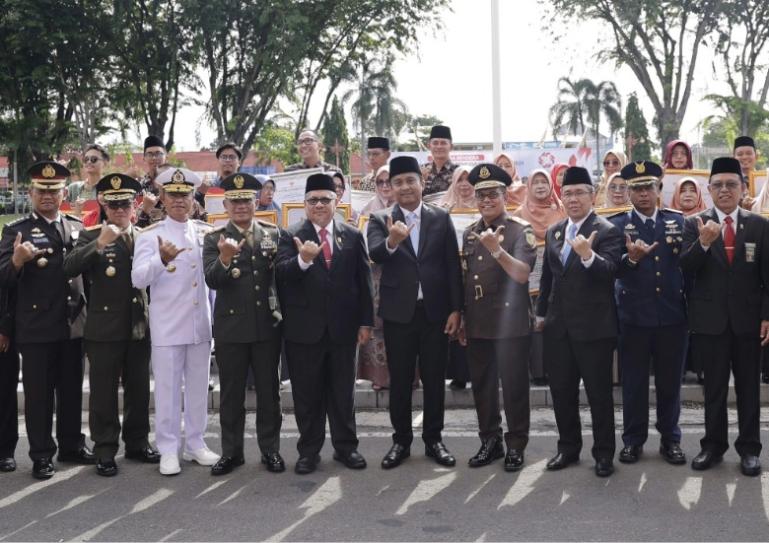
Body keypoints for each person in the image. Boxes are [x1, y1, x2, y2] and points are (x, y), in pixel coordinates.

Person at [0, 161, 94, 479]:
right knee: (39, 396)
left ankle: (71, 445)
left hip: (73, 323)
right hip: (37, 326)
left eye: (54, 191)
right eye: (41, 191)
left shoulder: (76, 226)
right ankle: (41, 454)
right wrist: (16, 261)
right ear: (31, 193)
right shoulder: (16, 230)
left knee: (71, 391)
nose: (48, 196)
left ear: (64, 193)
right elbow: (3, 278)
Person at [368, 156, 463, 469]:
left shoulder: (440, 218)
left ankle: (434, 439)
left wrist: (456, 309)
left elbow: (452, 265)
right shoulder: (380, 219)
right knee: (401, 381)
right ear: (391, 187)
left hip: (435, 313)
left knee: (435, 380)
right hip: (399, 315)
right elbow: (375, 253)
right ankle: (401, 441)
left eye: (411, 180)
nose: (405, 187)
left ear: (422, 183)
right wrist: (392, 241)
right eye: (398, 182)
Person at [275, 173, 374, 475]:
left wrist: (366, 322)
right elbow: (281, 275)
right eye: (313, 200)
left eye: (325, 199)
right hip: (304, 331)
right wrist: (303, 260)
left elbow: (364, 282)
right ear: (304, 204)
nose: (319, 205)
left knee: (343, 394)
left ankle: (346, 448)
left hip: (343, 329)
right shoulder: (289, 235)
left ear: (336, 201)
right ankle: (309, 451)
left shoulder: (352, 235)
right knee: (307, 396)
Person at [63, 174, 159, 477]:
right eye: (114, 205)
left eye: (125, 204)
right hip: (104, 328)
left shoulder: (145, 236)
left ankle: (137, 442)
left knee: (139, 389)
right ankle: (105, 448)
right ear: (104, 206)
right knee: (103, 393)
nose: (120, 210)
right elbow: (69, 267)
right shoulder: (90, 235)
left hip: (138, 324)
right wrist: (99, 244)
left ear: (134, 206)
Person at [680, 156, 769, 477]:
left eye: (731, 184)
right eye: (718, 185)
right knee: (714, 389)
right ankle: (713, 446)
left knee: (748, 389)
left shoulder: (759, 225)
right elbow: (685, 268)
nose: (725, 190)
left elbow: (767, 277)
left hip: (748, 322)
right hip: (710, 322)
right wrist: (703, 243)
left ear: (743, 188)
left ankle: (750, 449)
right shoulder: (694, 224)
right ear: (709, 190)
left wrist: (766, 315)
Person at [535, 166, 623, 477]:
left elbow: (611, 272)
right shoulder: (555, 231)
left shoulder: (607, 230)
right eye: (568, 193)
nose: (573, 199)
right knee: (562, 392)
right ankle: (568, 448)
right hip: (558, 328)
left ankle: (604, 454)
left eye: (579, 193)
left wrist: (588, 256)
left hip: (594, 328)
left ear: (592, 195)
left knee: (599, 395)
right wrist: (541, 314)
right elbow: (548, 278)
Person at [131, 167, 220, 476]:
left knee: (197, 389)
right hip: (168, 325)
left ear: (193, 199)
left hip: (199, 325)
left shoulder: (206, 233)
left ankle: (196, 443)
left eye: (185, 195)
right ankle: (168, 448)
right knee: (168, 391)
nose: (179, 200)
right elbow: (138, 279)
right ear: (163, 199)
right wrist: (161, 260)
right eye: (173, 195)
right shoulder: (150, 235)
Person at [204, 173, 285, 476]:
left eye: (246, 200)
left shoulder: (272, 233)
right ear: (225, 205)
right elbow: (212, 279)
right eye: (235, 201)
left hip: (266, 326)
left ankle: (270, 450)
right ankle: (231, 452)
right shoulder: (214, 238)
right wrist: (225, 259)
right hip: (232, 329)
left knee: (269, 393)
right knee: (231, 395)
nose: (241, 206)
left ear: (256, 202)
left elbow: (282, 275)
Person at [608, 161, 688, 466]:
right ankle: (633, 440)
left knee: (670, 384)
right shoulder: (616, 226)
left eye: (648, 187)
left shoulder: (677, 222)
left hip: (672, 316)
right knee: (634, 384)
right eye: (637, 188)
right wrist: (630, 260)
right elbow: (611, 270)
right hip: (633, 318)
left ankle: (671, 439)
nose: (643, 193)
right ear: (629, 192)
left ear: (659, 189)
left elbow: (689, 266)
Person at [460, 163, 537, 471]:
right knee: (483, 387)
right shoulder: (469, 233)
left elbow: (522, 274)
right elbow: (465, 279)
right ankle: (490, 441)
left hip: (511, 324)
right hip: (478, 322)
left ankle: (516, 444)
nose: (487, 201)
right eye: (481, 196)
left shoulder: (520, 230)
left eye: (493, 194)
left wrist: (497, 251)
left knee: (515, 388)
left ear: (505, 196)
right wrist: (462, 316)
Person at [358, 165, 395, 390]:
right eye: (380, 182)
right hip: (375, 276)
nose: (385, 186)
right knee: (378, 329)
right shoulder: (367, 209)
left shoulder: (406, 208)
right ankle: (379, 378)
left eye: (389, 181)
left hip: (401, 276)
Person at [137, 163, 207, 227]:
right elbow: (137, 231)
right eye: (163, 179)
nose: (179, 200)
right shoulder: (147, 204)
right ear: (156, 183)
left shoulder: (192, 204)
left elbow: (203, 227)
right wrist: (145, 211)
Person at [513, 168, 566, 241]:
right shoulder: (519, 214)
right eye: (535, 183)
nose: (540, 186)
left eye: (544, 182)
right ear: (529, 186)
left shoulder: (562, 209)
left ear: (550, 185)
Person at [0, 287, 18, 473]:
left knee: (5, 392)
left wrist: (5, 329)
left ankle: (5, 451)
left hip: (3, 334)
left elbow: (13, 291)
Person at [68, 144, 109, 212]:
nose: (89, 162)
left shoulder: (110, 188)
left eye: (94, 159)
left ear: (105, 163)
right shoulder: (73, 188)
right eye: (86, 159)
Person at [420, 125, 458, 196]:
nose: (439, 146)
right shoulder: (421, 171)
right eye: (435, 143)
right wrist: (420, 180)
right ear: (429, 146)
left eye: (443, 143)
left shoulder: (459, 172)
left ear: (451, 146)